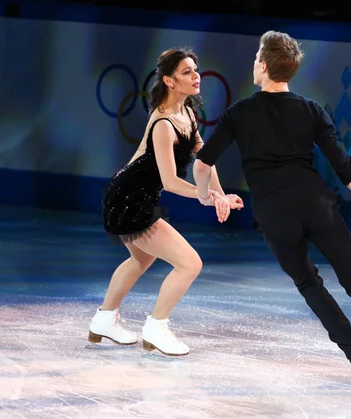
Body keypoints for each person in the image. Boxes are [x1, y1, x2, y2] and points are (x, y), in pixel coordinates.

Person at [192, 31, 351, 390]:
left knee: (308, 283)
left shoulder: (240, 113)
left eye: (255, 59)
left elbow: (202, 165)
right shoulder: (311, 111)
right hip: (317, 206)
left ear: (263, 67)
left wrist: (207, 196)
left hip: (275, 215)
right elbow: (347, 170)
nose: (253, 64)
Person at [88, 47, 243, 356]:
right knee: (189, 263)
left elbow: (204, 160)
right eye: (187, 72)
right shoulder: (163, 124)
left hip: (136, 197)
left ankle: (104, 319)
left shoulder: (186, 114)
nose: (196, 75)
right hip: (128, 199)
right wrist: (204, 197)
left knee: (141, 259)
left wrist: (220, 195)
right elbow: (170, 181)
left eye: (196, 70)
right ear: (170, 81)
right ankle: (157, 326)